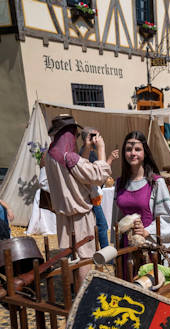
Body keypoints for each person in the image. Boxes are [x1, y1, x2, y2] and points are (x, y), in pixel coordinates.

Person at [44, 115, 112, 283]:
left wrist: (86, 148)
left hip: (63, 216)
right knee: (84, 257)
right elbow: (98, 175)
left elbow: (78, 173)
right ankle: (82, 294)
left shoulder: (50, 155)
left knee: (70, 255)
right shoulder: (68, 157)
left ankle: (72, 292)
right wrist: (101, 149)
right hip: (80, 214)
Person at [114, 131, 170, 251]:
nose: (133, 153)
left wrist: (147, 231)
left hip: (149, 247)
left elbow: (167, 218)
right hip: (126, 249)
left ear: (145, 153)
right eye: (128, 149)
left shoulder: (156, 183)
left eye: (137, 149)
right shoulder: (119, 183)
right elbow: (117, 220)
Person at [79, 127, 118, 249]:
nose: (99, 139)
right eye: (97, 136)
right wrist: (108, 156)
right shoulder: (86, 153)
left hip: (92, 195)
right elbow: (98, 176)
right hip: (91, 196)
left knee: (100, 226)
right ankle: (106, 254)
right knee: (102, 226)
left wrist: (109, 159)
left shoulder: (89, 153)